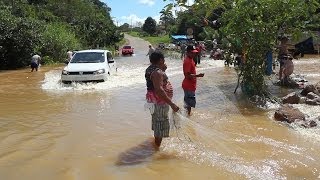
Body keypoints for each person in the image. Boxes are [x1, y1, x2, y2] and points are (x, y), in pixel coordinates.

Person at [145, 51, 180, 148]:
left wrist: (163, 69)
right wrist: (172, 104)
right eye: (163, 59)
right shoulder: (157, 72)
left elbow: (157, 82)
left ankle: (156, 145)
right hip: (159, 102)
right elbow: (159, 90)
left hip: (154, 101)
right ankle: (156, 150)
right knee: (160, 125)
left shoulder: (151, 69)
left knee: (157, 122)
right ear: (161, 60)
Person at [182, 45, 205, 116]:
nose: (194, 54)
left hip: (190, 85)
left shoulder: (190, 59)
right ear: (188, 52)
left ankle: (187, 114)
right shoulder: (188, 61)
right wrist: (198, 75)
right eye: (192, 53)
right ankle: (188, 115)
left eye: (194, 53)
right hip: (188, 85)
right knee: (189, 102)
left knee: (189, 102)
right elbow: (187, 75)